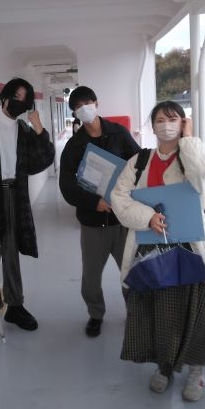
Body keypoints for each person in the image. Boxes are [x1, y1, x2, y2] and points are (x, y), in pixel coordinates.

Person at [110, 101, 205, 401]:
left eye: (173, 119)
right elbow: (119, 197)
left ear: (182, 123)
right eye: (160, 120)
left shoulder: (189, 156)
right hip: (151, 246)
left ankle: (196, 371)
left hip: (189, 247)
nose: (166, 125)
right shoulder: (139, 161)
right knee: (158, 311)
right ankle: (165, 366)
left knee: (194, 311)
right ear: (152, 126)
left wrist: (189, 137)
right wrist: (147, 217)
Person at [0, 77, 55, 343]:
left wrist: (39, 129)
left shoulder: (24, 130)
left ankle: (15, 306)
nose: (19, 103)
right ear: (4, 96)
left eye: (25, 100)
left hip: (16, 196)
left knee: (12, 255)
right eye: (16, 96)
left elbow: (43, 160)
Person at [59, 86, 140, 337]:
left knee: (131, 272)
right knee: (91, 278)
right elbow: (66, 187)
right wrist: (94, 202)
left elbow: (138, 164)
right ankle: (96, 314)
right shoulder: (74, 145)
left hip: (122, 220)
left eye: (87, 103)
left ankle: (135, 313)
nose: (84, 109)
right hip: (93, 223)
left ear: (96, 103)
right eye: (77, 107)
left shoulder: (119, 133)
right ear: (74, 113)